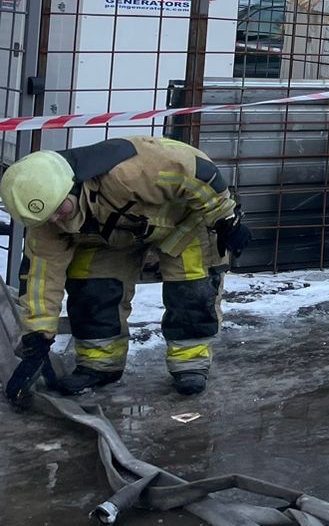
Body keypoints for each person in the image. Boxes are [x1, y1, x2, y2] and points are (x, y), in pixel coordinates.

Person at [1, 138, 250, 404]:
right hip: (111, 235)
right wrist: (37, 340)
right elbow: (41, 279)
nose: (54, 220)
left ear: (69, 187)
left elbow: (196, 174)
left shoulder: (130, 171)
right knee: (92, 289)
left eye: (57, 210)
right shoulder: (48, 222)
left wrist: (226, 219)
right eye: (46, 217)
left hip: (183, 219)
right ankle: (99, 363)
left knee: (191, 288)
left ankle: (190, 363)